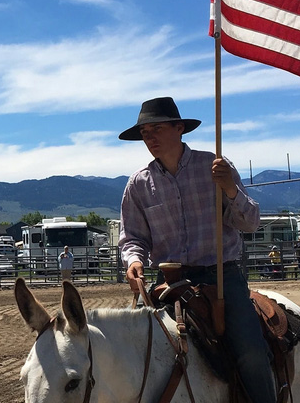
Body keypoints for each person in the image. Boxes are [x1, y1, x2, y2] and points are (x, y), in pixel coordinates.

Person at [116, 97, 274, 403]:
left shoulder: (214, 167)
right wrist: (133, 260)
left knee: (252, 353)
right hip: (169, 281)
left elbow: (250, 222)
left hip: (221, 278)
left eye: (157, 129)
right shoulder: (138, 184)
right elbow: (132, 236)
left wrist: (230, 188)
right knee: (137, 350)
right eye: (145, 133)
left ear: (179, 129)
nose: (150, 138)